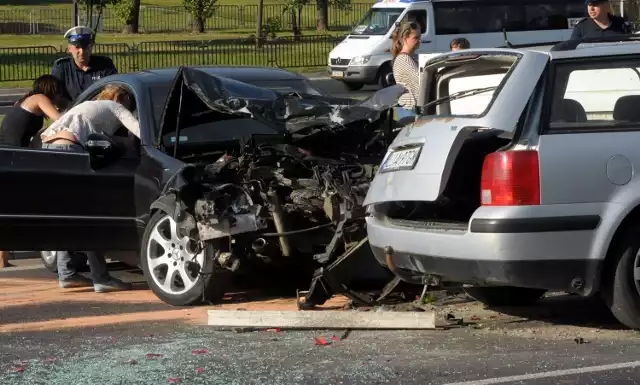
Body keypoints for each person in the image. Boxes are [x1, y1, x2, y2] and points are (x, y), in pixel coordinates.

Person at [39, 85, 139, 293]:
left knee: (67, 216)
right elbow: (140, 131)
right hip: (70, 150)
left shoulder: (88, 106)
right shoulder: (114, 106)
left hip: (49, 148)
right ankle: (101, 278)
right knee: (86, 215)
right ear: (123, 99)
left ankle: (66, 273)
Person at [41, 84, 140, 149]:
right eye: (131, 103)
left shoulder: (90, 104)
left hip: (47, 143)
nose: (131, 109)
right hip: (68, 145)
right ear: (125, 98)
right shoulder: (117, 107)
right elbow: (139, 130)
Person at [52, 26, 118, 101]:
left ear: (91, 46)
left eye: (86, 47)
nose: (82, 51)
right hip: (71, 110)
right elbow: (53, 95)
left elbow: (114, 89)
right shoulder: (62, 67)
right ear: (69, 48)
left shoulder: (105, 65)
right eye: (77, 47)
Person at [0, 75, 68, 147]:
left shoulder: (25, 100)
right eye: (59, 92)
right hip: (14, 149)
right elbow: (62, 121)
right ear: (53, 90)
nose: (61, 96)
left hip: (7, 148)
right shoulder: (39, 98)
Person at [391, 22, 421, 120]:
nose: (419, 40)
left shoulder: (410, 57)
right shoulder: (404, 59)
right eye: (416, 38)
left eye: (419, 37)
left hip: (411, 109)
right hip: (409, 110)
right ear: (404, 39)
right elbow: (420, 82)